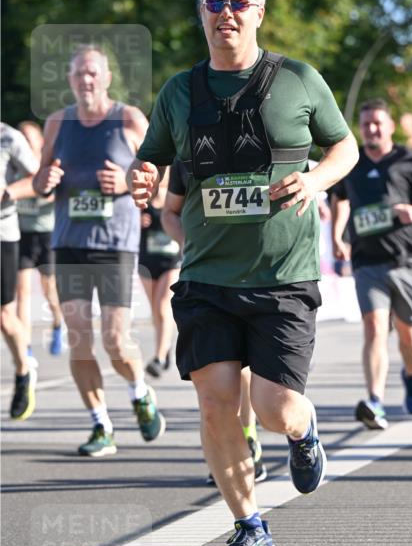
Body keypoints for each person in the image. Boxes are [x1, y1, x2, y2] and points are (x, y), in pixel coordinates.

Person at [128, 0, 357, 546]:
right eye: (214, 2)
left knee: (272, 408)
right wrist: (142, 178)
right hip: (206, 278)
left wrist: (315, 180)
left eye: (237, 3)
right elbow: (152, 164)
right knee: (215, 402)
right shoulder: (179, 91)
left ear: (259, 11)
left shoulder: (299, 79)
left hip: (283, 276)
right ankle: (249, 526)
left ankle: (304, 432)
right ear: (201, 11)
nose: (225, 13)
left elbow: (345, 147)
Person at [32, 46, 166, 457]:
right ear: (70, 80)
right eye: (78, 74)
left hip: (114, 245)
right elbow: (38, 182)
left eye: (93, 73)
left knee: (114, 339)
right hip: (69, 243)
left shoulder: (129, 120)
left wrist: (126, 183)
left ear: (107, 78)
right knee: (78, 337)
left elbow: (161, 179)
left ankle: (139, 391)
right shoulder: (57, 123)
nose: (86, 80)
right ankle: (100, 424)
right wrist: (46, 179)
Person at [330, 98, 412, 429]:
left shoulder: (408, 160)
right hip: (366, 260)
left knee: (408, 333)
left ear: (391, 126)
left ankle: (410, 374)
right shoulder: (351, 161)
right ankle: (375, 401)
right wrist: (337, 236)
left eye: (377, 123)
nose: (372, 129)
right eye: (366, 124)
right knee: (374, 328)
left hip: (405, 259)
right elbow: (340, 198)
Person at [161, 159, 267, 484]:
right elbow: (169, 213)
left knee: (246, 373)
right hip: (207, 280)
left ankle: (247, 434)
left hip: (256, 276)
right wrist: (189, 243)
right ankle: (227, 449)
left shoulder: (262, 145)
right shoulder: (188, 152)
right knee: (214, 379)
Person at [16, 121, 64, 361]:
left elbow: (55, 195)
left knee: (49, 290)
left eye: (28, 138)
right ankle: (25, 347)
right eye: (21, 138)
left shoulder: (49, 165)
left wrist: (25, 189)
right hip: (22, 234)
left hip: (47, 235)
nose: (24, 142)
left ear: (40, 142)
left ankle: (57, 322)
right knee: (22, 293)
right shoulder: (13, 166)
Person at [1, 122, 39, 420]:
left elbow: (38, 179)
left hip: (3, 234)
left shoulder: (9, 138)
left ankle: (23, 368)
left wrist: (8, 192)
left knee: (4, 315)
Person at [138, 168, 180, 377]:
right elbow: (124, 224)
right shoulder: (142, 199)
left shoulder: (177, 201)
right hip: (147, 262)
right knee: (155, 310)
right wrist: (137, 222)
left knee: (163, 306)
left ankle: (159, 357)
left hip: (172, 261)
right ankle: (165, 347)